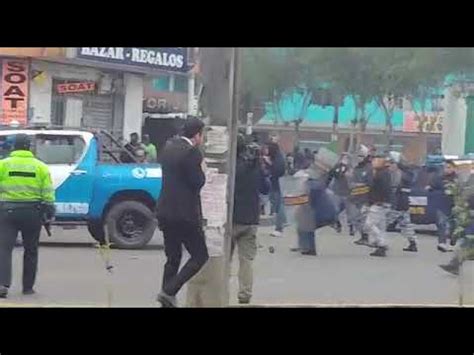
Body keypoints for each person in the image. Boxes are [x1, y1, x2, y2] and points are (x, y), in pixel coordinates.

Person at [155, 118, 208, 307]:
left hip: (165, 211)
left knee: (173, 257)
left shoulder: (168, 147)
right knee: (200, 255)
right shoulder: (192, 153)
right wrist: (203, 171)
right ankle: (170, 290)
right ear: (197, 135)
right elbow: (198, 182)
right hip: (185, 215)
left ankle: (165, 298)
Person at [0, 134, 55, 298]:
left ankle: (3, 285)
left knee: (4, 249)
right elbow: (48, 193)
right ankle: (28, 287)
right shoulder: (40, 167)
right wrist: (50, 210)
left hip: (7, 211)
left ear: (13, 147)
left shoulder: (3, 165)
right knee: (31, 250)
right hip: (33, 212)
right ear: (29, 147)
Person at [231, 134, 269, 304]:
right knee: (246, 260)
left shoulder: (231, 167)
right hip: (251, 220)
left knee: (224, 258)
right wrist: (260, 165)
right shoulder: (254, 167)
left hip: (231, 219)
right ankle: (245, 293)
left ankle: (220, 287)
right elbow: (266, 188)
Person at [386, 155, 419, 252]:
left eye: (392, 163)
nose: (390, 166)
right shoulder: (408, 174)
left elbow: (394, 188)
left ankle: (380, 243)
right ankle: (413, 243)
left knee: (384, 223)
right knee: (406, 224)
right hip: (403, 203)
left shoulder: (400, 174)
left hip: (397, 203)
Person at [364, 154, 392, 257]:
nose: (373, 162)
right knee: (381, 226)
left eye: (375, 160)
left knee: (369, 224)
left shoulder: (381, 174)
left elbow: (383, 189)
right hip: (381, 203)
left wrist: (380, 201)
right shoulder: (382, 173)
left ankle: (381, 243)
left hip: (378, 203)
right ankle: (380, 246)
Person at [429, 160, 457, 252]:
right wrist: (430, 188)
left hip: (454, 205)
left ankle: (453, 240)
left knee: (454, 224)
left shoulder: (457, 179)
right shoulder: (439, 178)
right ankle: (442, 243)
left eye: (449, 167)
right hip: (442, 204)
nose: (446, 169)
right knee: (441, 224)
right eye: (445, 167)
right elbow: (432, 186)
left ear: (454, 168)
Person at [350, 145, 374, 245]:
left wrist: (360, 185)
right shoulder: (356, 168)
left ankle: (367, 237)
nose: (359, 158)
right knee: (356, 218)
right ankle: (363, 236)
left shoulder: (369, 168)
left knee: (364, 219)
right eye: (358, 156)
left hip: (365, 198)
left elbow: (371, 183)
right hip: (356, 197)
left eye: (361, 156)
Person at [264, 142, 287, 237]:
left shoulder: (278, 159)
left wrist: (269, 163)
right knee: (277, 205)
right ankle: (282, 222)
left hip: (278, 186)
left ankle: (279, 227)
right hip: (275, 185)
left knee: (279, 206)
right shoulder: (276, 157)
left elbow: (278, 171)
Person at [327, 153, 351, 233]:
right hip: (337, 190)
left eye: (346, 158)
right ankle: (337, 224)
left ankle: (351, 226)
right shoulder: (336, 167)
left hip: (347, 191)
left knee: (348, 210)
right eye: (343, 158)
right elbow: (331, 175)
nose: (344, 160)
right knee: (336, 209)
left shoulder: (351, 168)